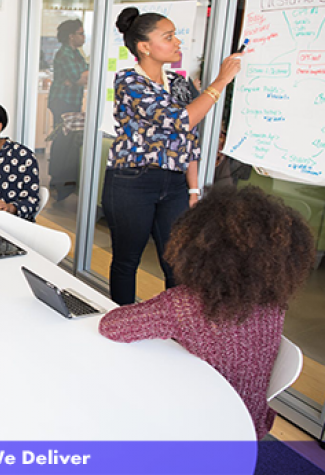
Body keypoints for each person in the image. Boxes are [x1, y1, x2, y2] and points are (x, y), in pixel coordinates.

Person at [98, 186, 314, 440]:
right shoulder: (272, 302)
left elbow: (111, 326)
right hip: (249, 424)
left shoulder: (185, 304)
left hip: (201, 428)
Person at [101, 7, 243, 306]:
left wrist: (193, 188)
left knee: (177, 262)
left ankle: (176, 328)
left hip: (175, 182)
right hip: (132, 181)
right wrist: (221, 81)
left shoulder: (178, 82)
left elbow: (187, 139)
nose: (177, 42)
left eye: (175, 35)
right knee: (128, 259)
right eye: (168, 37)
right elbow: (180, 121)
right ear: (144, 46)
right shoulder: (130, 82)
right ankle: (121, 321)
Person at [47, 19, 88, 202]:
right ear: (71, 36)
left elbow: (84, 75)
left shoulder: (76, 53)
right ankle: (58, 179)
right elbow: (80, 77)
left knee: (65, 139)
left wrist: (79, 78)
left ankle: (60, 179)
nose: (83, 36)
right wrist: (78, 78)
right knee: (62, 138)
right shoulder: (65, 54)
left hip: (71, 100)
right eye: (80, 33)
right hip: (62, 101)